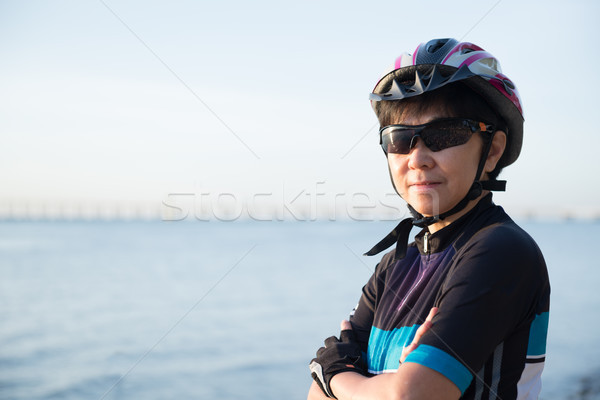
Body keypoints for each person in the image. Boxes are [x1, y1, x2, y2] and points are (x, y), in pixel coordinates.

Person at [307, 38, 550, 400]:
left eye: (444, 135)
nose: (418, 158)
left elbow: (411, 396)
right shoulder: (395, 264)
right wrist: (379, 385)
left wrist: (336, 374)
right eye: (400, 138)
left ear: (492, 151)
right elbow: (314, 396)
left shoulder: (500, 251)